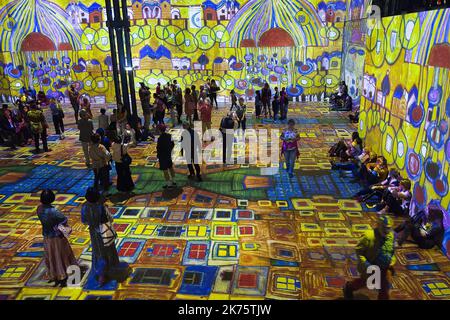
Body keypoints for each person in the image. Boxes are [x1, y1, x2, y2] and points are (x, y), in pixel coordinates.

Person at [81, 188, 131, 286]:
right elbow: (110, 219)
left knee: (98, 251)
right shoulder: (101, 207)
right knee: (106, 251)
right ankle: (103, 275)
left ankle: (100, 273)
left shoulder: (84, 207)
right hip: (104, 232)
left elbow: (84, 221)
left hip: (93, 232)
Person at [343, 216, 396, 300]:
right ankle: (349, 287)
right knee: (367, 283)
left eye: (388, 228)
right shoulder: (369, 236)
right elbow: (359, 251)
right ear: (378, 225)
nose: (386, 231)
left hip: (385, 268)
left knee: (384, 289)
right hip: (371, 265)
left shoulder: (391, 236)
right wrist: (367, 264)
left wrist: (392, 262)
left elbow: (392, 251)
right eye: (384, 228)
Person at [37, 189, 77, 287]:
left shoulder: (39, 209)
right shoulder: (53, 211)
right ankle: (63, 274)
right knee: (60, 255)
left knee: (51, 256)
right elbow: (63, 219)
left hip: (46, 236)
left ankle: (54, 274)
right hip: (56, 236)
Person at [156, 124, 176, 188]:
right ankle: (174, 181)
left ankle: (169, 184)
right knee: (170, 168)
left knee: (165, 170)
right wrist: (169, 150)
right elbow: (173, 144)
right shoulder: (169, 136)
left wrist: (158, 156)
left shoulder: (159, 138)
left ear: (159, 130)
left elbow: (158, 148)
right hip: (168, 155)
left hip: (162, 156)